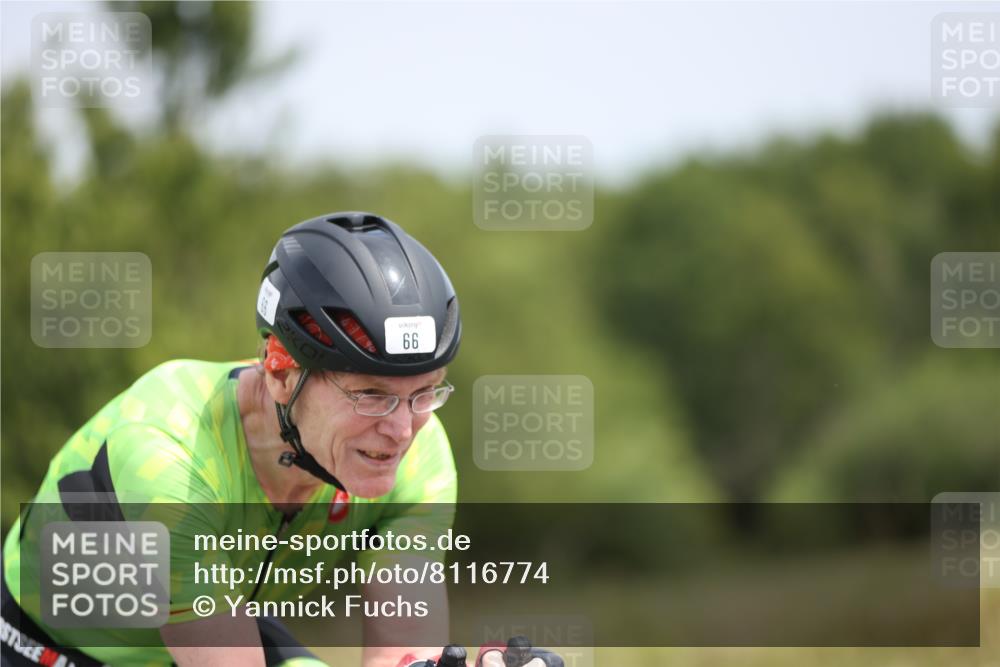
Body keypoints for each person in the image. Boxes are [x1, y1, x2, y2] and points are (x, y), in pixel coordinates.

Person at [2, 212, 481, 666]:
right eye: (370, 396)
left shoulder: (420, 455)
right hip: (40, 648)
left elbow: (401, 654)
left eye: (423, 393)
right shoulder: (170, 457)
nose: (401, 431)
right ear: (281, 374)